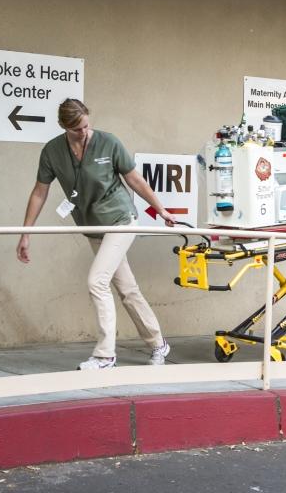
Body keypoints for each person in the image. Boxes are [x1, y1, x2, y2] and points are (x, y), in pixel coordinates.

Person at [17, 98, 176, 370]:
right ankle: (158, 343)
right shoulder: (52, 152)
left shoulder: (108, 142)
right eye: (77, 129)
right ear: (63, 126)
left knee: (96, 281)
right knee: (127, 289)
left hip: (120, 220)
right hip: (92, 226)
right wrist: (25, 234)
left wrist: (161, 209)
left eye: (87, 126)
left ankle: (105, 355)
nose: (84, 132)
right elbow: (39, 192)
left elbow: (134, 179)